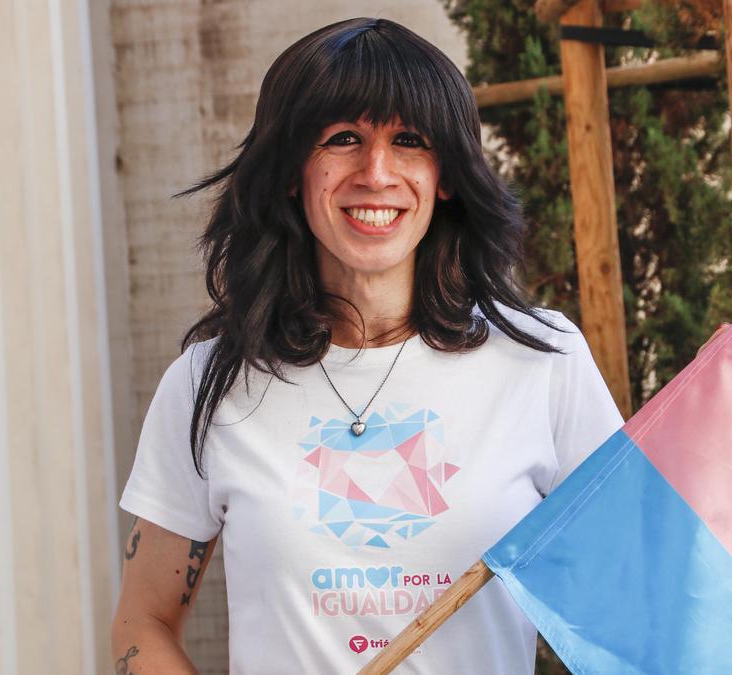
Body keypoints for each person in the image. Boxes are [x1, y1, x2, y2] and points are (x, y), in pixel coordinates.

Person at [111, 17, 623, 675]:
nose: (376, 172)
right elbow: (141, 621)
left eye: (409, 140)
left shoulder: (542, 360)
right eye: (343, 139)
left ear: (447, 176)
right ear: (294, 171)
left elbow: (628, 585)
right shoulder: (207, 382)